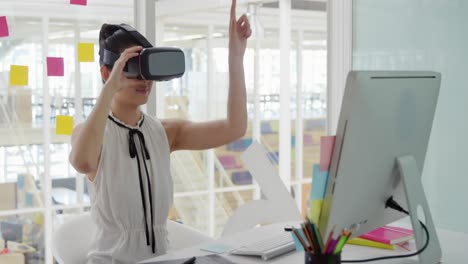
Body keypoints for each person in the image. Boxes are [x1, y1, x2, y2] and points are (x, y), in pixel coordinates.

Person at [68, 0, 251, 263]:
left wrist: (236, 57)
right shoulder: (89, 133)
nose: (145, 80)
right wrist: (109, 87)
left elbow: (235, 128)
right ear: (107, 72)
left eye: (148, 69)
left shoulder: (164, 132)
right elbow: (82, 160)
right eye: (133, 69)